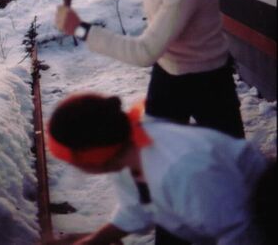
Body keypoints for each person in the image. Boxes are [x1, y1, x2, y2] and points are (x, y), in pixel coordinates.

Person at [55, 0, 245, 244]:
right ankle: (166, 229)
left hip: (208, 78)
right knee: (146, 158)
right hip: (171, 73)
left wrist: (81, 30)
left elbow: (144, 51)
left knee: (229, 164)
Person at [47, 92, 273, 245]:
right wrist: (92, 242)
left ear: (90, 158)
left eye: (69, 160)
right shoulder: (128, 151)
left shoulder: (185, 171)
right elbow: (137, 208)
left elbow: (241, 234)